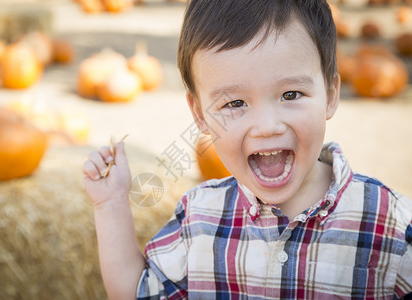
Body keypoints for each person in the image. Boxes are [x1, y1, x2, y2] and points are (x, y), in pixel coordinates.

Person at [82, 0, 412, 298]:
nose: (267, 125)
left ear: (330, 92)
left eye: (291, 94)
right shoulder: (199, 217)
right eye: (235, 103)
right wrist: (110, 205)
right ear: (200, 115)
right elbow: (138, 293)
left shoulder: (390, 224)